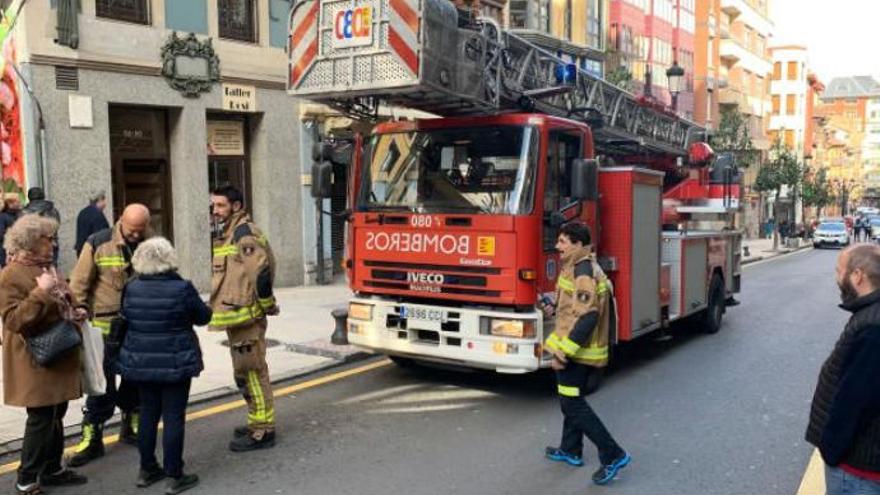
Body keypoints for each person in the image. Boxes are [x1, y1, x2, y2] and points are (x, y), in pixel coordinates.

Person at [114, 237, 211, 494]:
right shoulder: (182, 288)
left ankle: (147, 469)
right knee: (173, 417)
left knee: (147, 414)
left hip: (141, 362)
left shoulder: (132, 288)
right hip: (175, 361)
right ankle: (174, 474)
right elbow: (203, 317)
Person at [0, 215, 89, 494]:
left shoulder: (46, 266)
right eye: (46, 238)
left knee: (56, 412)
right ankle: (26, 479)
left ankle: (51, 469)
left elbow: (62, 298)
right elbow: (13, 320)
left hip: (57, 351)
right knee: (40, 417)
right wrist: (41, 292)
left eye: (52, 238)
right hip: (34, 358)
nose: (52, 243)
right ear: (29, 242)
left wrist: (75, 309)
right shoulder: (11, 274)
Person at [542, 222, 631, 486]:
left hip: (577, 352)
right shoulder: (573, 267)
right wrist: (553, 306)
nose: (557, 246)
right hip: (573, 349)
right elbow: (572, 307)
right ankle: (570, 449)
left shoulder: (583, 271)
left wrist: (563, 354)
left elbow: (588, 316)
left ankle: (613, 454)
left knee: (572, 404)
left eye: (563, 241)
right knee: (569, 398)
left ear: (579, 245)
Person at [67, 203, 152, 467]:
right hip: (103, 329)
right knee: (101, 387)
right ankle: (92, 438)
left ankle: (131, 423)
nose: (135, 236)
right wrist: (79, 308)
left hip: (137, 327)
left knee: (135, 379)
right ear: (120, 221)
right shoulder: (98, 242)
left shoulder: (152, 244)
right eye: (131, 230)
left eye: (140, 231)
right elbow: (79, 283)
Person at [209, 185, 279, 452]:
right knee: (244, 372)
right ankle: (256, 420)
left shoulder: (243, 233)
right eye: (214, 206)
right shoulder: (230, 233)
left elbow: (260, 273)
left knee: (252, 372)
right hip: (236, 319)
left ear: (237, 206)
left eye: (221, 206)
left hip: (247, 318)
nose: (215, 211)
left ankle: (263, 430)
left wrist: (266, 305)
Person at [806, 244, 880, 495]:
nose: (837, 278)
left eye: (839, 271)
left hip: (858, 471)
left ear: (857, 275)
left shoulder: (872, 327)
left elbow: (855, 399)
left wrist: (831, 450)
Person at [74, 190, 110, 258]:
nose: (105, 203)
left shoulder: (82, 212)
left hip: (81, 251)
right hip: (92, 253)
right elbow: (102, 237)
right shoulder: (98, 215)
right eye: (104, 200)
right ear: (99, 200)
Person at [0, 193, 23, 267]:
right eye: (18, 201)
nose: (20, 203)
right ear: (10, 203)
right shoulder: (3, 217)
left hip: (19, 249)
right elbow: (1, 234)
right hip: (6, 250)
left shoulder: (19, 214)